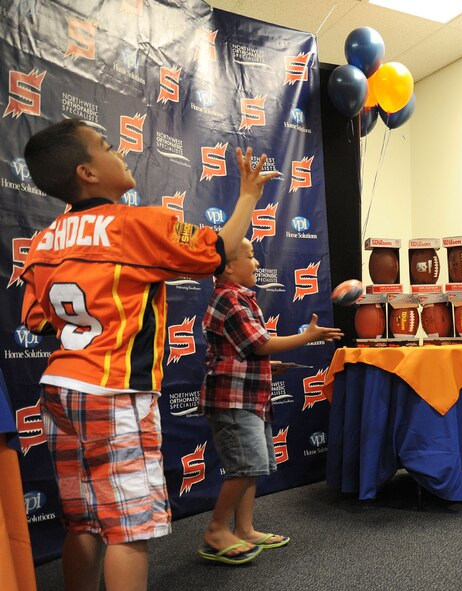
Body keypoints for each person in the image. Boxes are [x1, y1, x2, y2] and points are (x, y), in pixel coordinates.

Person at [20, 117, 277, 590]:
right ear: (87, 173)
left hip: (60, 389)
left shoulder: (42, 241)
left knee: (82, 521)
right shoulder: (135, 224)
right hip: (114, 390)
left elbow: (36, 321)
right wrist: (248, 196)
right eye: (105, 145)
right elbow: (216, 251)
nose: (118, 149)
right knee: (127, 529)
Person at [197, 237, 343, 565]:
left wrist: (267, 365)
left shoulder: (241, 297)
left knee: (253, 467)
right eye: (250, 256)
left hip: (250, 398)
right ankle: (217, 530)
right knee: (245, 465)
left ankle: (245, 529)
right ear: (230, 266)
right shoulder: (229, 298)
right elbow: (259, 344)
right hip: (233, 402)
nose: (257, 264)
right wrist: (307, 337)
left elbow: (241, 349)